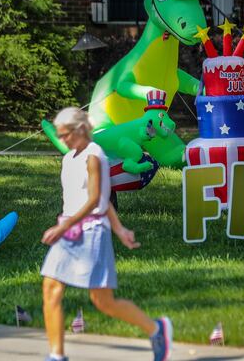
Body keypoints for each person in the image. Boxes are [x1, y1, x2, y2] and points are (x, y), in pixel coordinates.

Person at [40, 107, 172, 361]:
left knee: (104, 302)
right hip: (69, 229)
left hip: (90, 233)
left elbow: (94, 200)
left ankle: (156, 329)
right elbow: (102, 197)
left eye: (65, 134)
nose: (62, 139)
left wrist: (64, 227)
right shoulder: (70, 158)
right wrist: (120, 229)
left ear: (80, 130)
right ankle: (57, 356)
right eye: (60, 134)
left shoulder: (94, 155)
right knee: (51, 288)